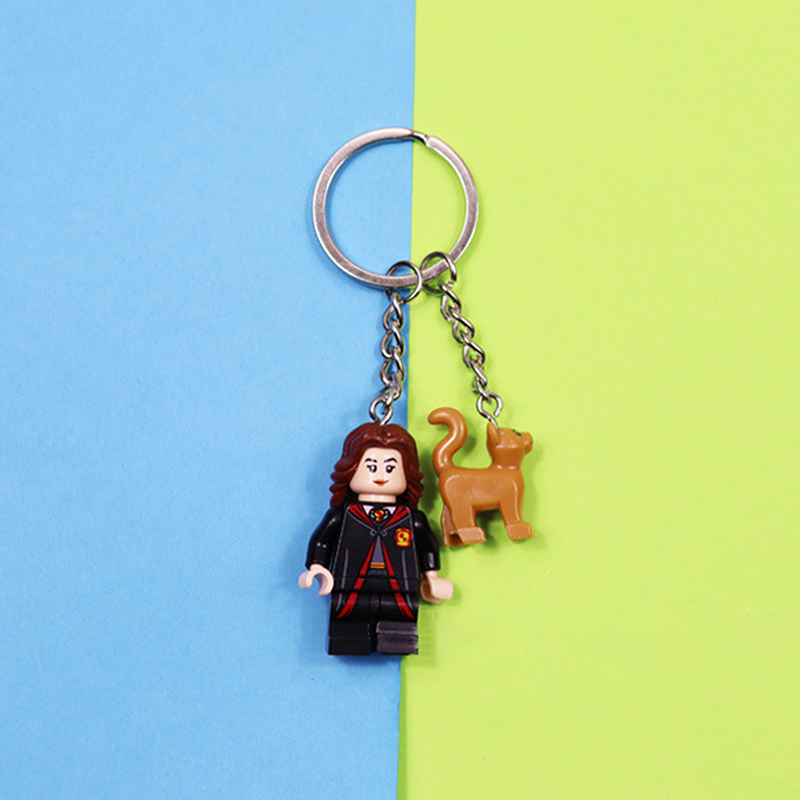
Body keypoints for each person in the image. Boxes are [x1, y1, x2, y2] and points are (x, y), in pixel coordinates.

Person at [299, 422, 453, 655]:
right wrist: (317, 567)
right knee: (347, 625)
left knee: (400, 627)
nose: (381, 475)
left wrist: (431, 576)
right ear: (351, 469)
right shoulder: (342, 515)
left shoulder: (412, 519)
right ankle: (349, 641)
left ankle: (396, 642)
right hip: (350, 583)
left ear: (407, 473)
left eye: (390, 468)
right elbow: (322, 540)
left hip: (400, 585)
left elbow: (427, 546)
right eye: (371, 467)